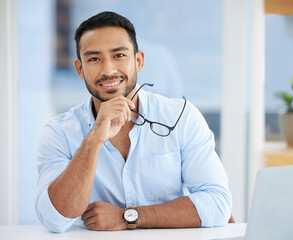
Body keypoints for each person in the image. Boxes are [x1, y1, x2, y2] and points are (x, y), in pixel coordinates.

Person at [35, 11, 232, 233]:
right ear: (80, 69)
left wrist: (127, 217)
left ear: (138, 61)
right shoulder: (59, 132)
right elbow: (54, 219)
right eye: (93, 59)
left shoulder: (181, 118)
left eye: (119, 55)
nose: (108, 70)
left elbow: (217, 204)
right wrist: (93, 140)